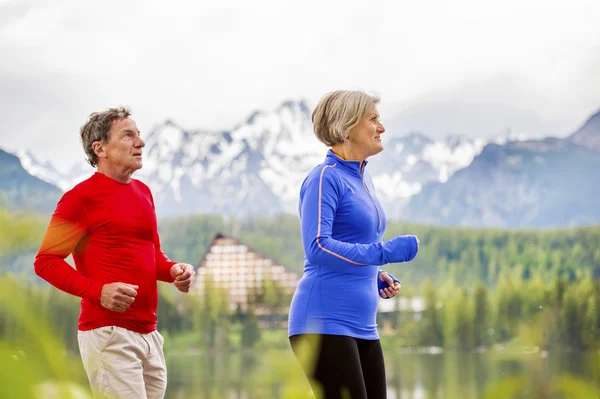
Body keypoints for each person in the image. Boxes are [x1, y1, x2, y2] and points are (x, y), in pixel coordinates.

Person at [34, 107, 195, 399]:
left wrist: (173, 271)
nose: (141, 142)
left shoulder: (144, 193)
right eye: (128, 135)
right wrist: (99, 291)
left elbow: (152, 254)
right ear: (100, 149)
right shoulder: (79, 199)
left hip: (150, 334)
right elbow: (45, 262)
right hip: (108, 333)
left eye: (139, 135)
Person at [288, 90, 420, 399]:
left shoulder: (363, 179)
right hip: (323, 321)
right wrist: (383, 253)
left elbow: (350, 244)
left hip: (363, 325)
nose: (382, 127)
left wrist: (374, 274)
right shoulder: (324, 177)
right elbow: (318, 247)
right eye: (373, 119)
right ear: (346, 128)